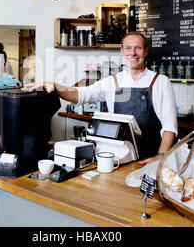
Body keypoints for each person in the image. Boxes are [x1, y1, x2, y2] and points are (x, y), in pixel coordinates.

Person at [28, 32, 178, 165]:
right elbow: (81, 94)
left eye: (138, 48)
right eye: (128, 48)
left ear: (145, 51)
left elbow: (170, 127)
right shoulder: (112, 81)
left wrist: (160, 157)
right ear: (122, 51)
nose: (133, 53)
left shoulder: (160, 82)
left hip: (151, 159)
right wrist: (55, 85)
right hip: (120, 159)